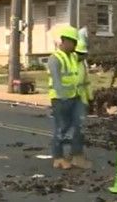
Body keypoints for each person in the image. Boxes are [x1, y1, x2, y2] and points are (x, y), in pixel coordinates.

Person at [47, 27, 93, 170]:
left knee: (80, 125)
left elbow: (81, 72)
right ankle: (58, 157)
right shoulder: (55, 59)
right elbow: (56, 82)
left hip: (76, 97)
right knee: (62, 128)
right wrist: (63, 97)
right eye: (73, 42)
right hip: (60, 100)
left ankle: (77, 156)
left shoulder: (73, 56)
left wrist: (87, 97)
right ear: (65, 41)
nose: (75, 45)